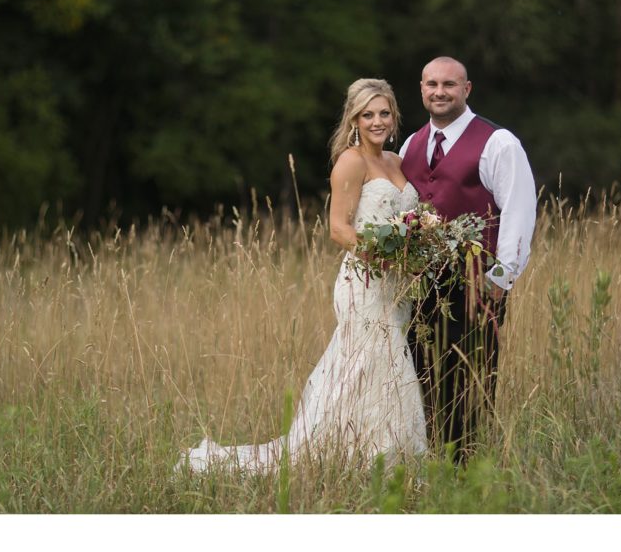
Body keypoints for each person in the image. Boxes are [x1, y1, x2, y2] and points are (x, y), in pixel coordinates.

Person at [179, 78, 427, 472]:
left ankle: (364, 449)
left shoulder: (396, 162)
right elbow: (339, 229)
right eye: (368, 114)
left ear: (394, 116)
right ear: (354, 120)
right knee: (379, 361)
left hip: (398, 286)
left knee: (376, 367)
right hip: (365, 281)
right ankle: (375, 455)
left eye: (384, 113)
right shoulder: (351, 161)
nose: (377, 121)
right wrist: (385, 258)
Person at [399, 56, 537, 463]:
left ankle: (466, 469)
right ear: (422, 89)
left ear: (467, 89)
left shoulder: (498, 142)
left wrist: (501, 278)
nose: (439, 92)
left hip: (477, 284)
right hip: (419, 286)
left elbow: (519, 210)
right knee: (421, 376)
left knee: (470, 380)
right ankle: (430, 462)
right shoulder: (410, 144)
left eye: (449, 84)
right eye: (431, 84)